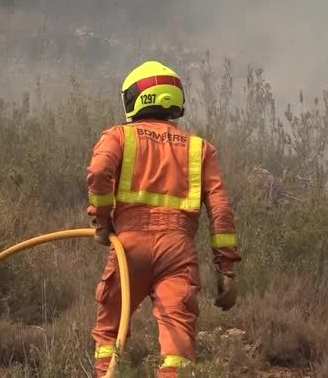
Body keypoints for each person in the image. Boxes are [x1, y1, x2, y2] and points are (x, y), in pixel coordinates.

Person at [86, 61, 241, 377]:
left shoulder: (118, 137)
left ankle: (106, 373)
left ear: (134, 98)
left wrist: (102, 222)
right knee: (177, 343)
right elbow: (221, 209)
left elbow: (99, 173)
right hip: (178, 252)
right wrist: (226, 269)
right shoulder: (200, 150)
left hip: (129, 246)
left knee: (110, 331)